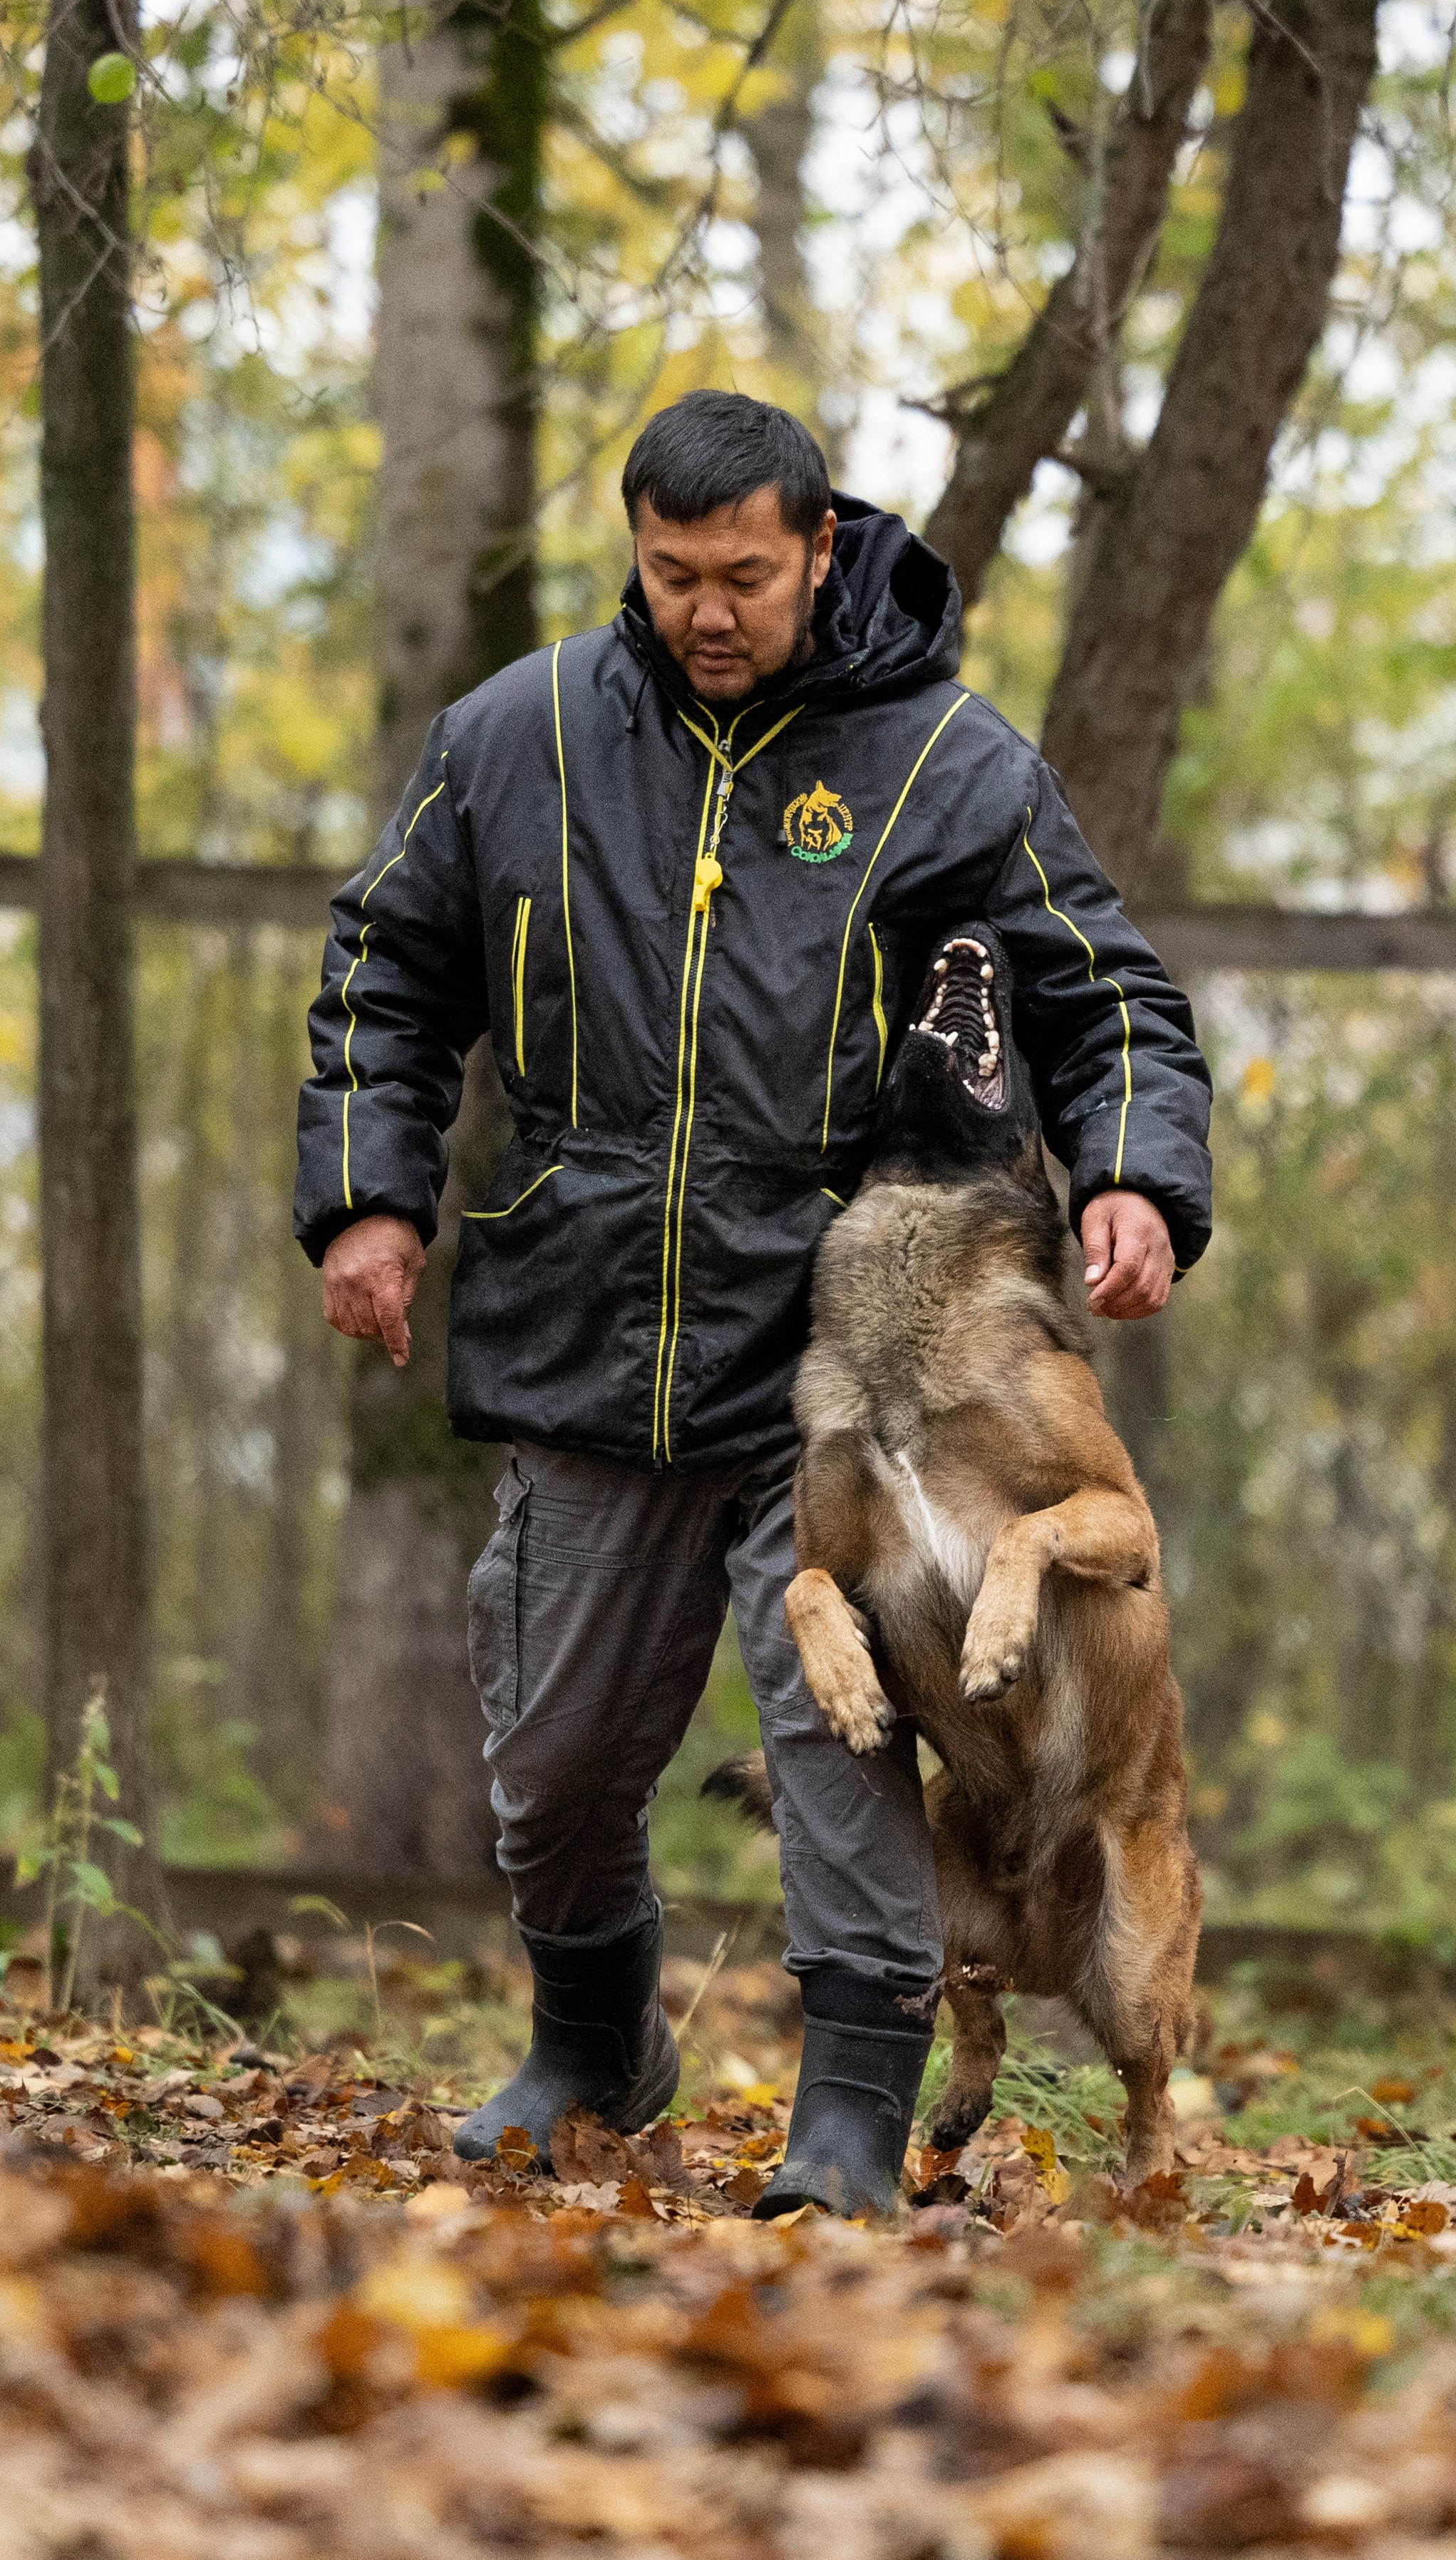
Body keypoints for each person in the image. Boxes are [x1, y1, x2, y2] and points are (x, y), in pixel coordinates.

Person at [294, 389, 1212, 2217]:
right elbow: (387, 974)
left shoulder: (946, 756)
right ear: (635, 550)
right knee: (552, 1763)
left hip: (848, 1359)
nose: (708, 609)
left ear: (817, 546)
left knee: (848, 1736)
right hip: (581, 1323)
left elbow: (1102, 989)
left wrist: (1132, 1170)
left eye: (745, 575)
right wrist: (367, 1202)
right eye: (671, 573)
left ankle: (855, 2110)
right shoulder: (518, 735)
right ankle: (591, 2042)